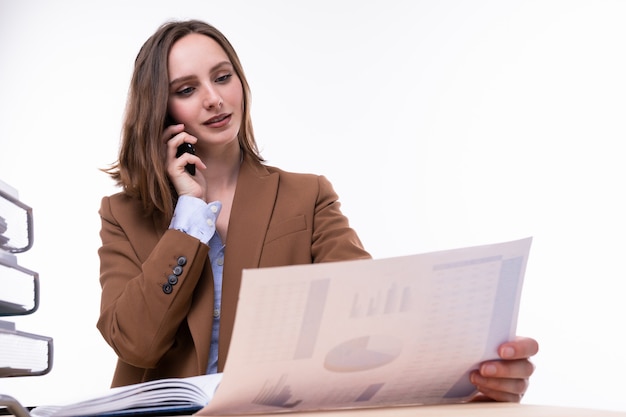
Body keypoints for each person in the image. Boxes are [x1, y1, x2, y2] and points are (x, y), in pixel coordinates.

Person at [97, 19, 539, 403]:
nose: (214, 98)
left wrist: (471, 376)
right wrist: (189, 216)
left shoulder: (305, 196)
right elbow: (137, 344)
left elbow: (372, 316)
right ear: (161, 108)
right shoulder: (123, 214)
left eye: (223, 77)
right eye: (188, 89)